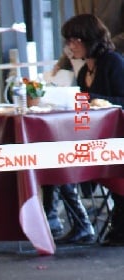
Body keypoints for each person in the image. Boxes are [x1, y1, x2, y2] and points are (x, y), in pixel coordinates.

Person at [61, 13, 124, 245]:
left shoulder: (113, 62)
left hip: (116, 141)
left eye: (75, 40)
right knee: (57, 161)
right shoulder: (82, 72)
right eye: (68, 40)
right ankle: (79, 222)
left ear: (90, 39)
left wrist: (93, 100)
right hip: (94, 138)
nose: (71, 46)